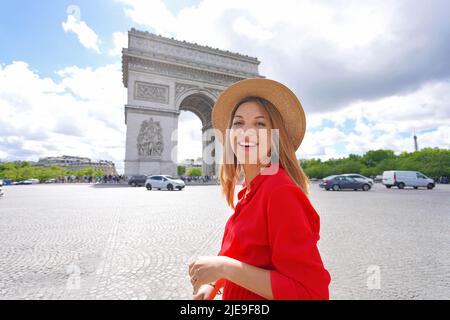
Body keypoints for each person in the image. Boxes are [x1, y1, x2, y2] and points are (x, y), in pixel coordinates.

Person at [188, 78, 331, 300]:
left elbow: (311, 293)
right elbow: (245, 256)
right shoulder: (250, 190)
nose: (247, 132)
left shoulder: (279, 191)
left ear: (276, 136)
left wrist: (223, 267)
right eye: (238, 123)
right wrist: (214, 284)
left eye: (260, 124)